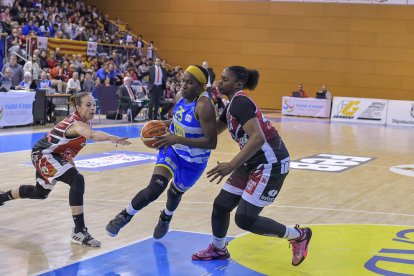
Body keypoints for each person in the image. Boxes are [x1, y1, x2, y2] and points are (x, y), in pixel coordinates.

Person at [192, 66, 312, 266]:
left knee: (245, 218)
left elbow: (257, 138)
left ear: (238, 84)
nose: (219, 82)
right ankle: (218, 249)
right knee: (221, 205)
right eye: (220, 79)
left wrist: (230, 165)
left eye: (225, 79)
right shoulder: (231, 105)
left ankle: (298, 235)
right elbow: (211, 130)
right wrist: (180, 122)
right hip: (252, 161)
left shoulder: (240, 101)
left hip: (270, 163)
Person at [0, 92, 131, 247]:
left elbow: (66, 149)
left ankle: (2, 198)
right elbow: (92, 135)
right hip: (44, 154)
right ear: (77, 107)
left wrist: (70, 165)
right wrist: (112, 137)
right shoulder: (76, 124)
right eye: (88, 105)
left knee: (40, 193)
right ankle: (79, 231)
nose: (93, 108)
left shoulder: (84, 123)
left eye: (94, 104)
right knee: (77, 179)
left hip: (53, 155)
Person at [106, 65, 217, 240]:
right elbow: (178, 119)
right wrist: (160, 124)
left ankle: (166, 216)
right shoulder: (181, 97)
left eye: (190, 82)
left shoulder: (205, 106)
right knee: (155, 188)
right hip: (172, 150)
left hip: (193, 161)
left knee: (174, 194)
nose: (184, 85)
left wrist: (177, 138)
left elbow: (211, 142)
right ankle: (124, 215)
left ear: (201, 86)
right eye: (183, 81)